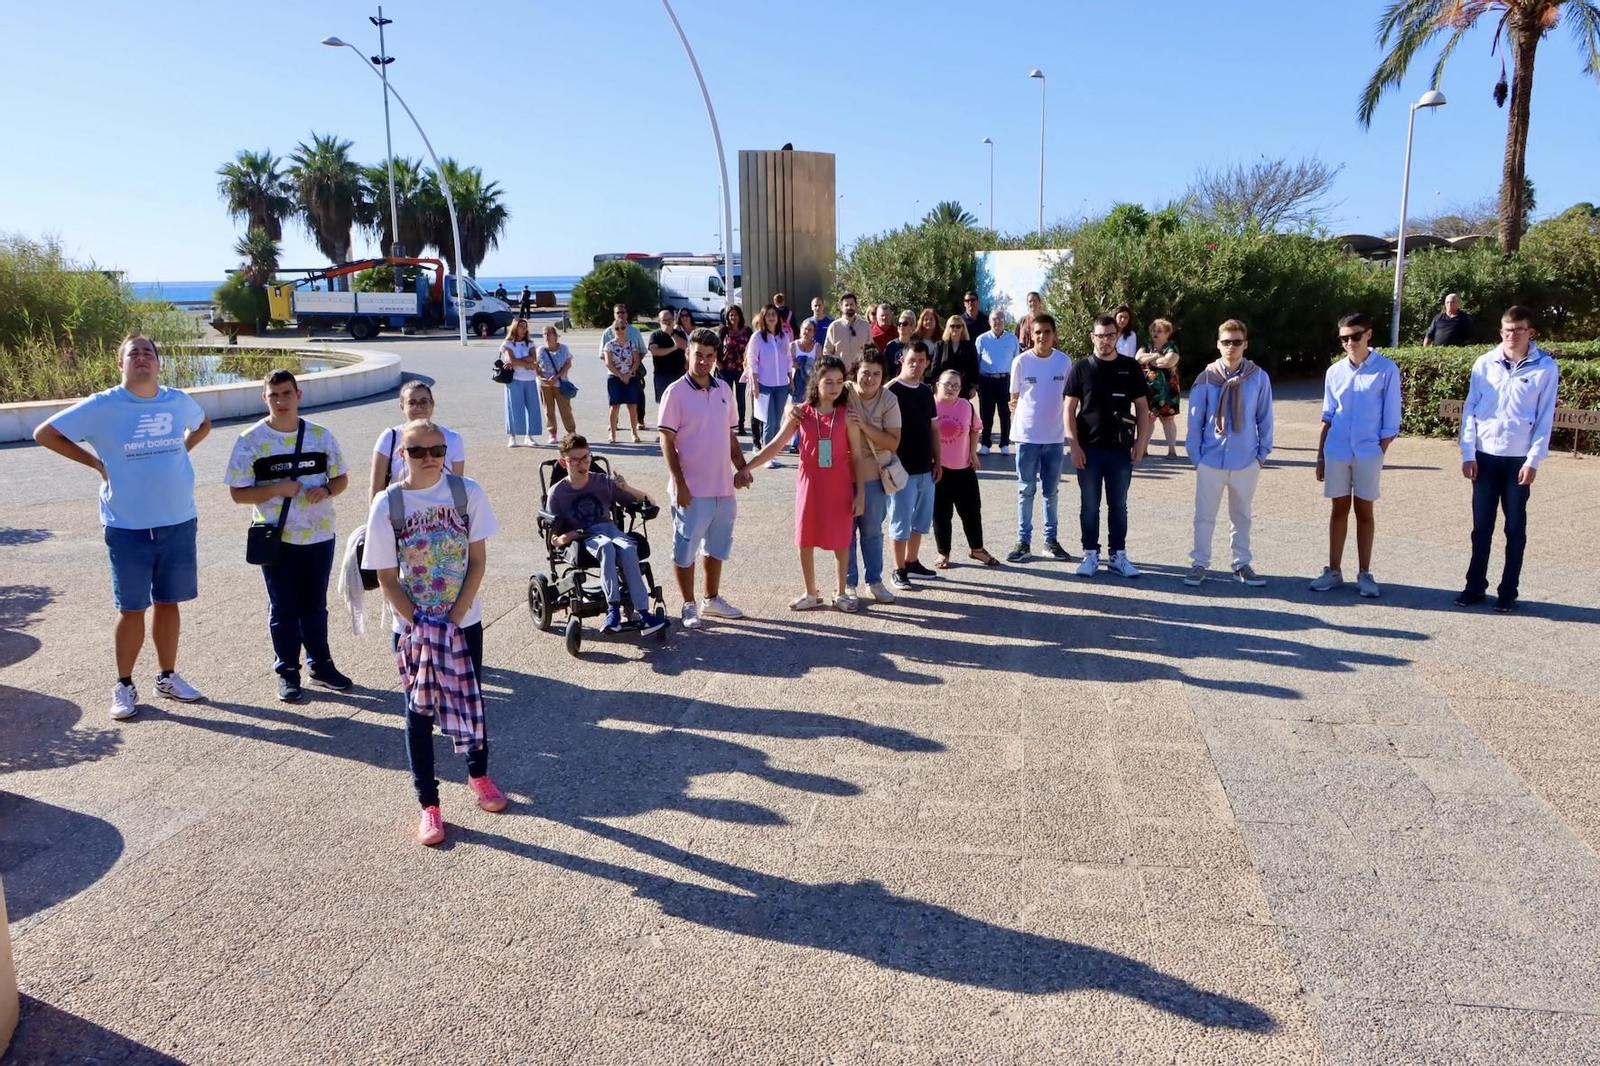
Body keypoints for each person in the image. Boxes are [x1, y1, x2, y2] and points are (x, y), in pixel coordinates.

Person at [33, 334, 210, 719]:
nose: (142, 358)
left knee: (169, 603)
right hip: (127, 526)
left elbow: (203, 424)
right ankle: (124, 684)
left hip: (178, 519)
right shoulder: (103, 405)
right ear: (122, 365)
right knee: (131, 608)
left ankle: (166, 677)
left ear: (159, 363)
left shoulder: (177, 401)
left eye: (149, 352)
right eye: (134, 353)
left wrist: (184, 449)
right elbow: (45, 433)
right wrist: (97, 464)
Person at [362, 419, 504, 847]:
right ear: (401, 455)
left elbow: (477, 560)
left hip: (463, 621)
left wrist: (455, 615)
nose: (430, 459)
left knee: (470, 697)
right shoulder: (389, 504)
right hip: (413, 626)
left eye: (437, 450)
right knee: (419, 712)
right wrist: (421, 622)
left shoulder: (467, 492)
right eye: (418, 451)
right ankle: (429, 805)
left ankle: (478, 775)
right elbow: (386, 576)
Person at [225, 369, 352, 700]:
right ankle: (287, 672)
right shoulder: (250, 440)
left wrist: (325, 489)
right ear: (264, 398)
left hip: (320, 535)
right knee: (283, 607)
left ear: (299, 396)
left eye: (286, 393)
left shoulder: (321, 436)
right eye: (274, 395)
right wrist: (277, 489)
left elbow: (341, 479)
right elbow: (238, 493)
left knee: (315, 605)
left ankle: (321, 666)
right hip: (276, 537)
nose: (281, 401)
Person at [1454, 305, 1560, 612]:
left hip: (1517, 461)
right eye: (1506, 330)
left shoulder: (1545, 368)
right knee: (1481, 528)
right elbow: (1470, 410)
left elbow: (1544, 418)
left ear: (1531, 332)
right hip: (1485, 457)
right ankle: (1474, 586)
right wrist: (1467, 452)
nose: (1511, 336)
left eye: (1518, 330)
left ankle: (1508, 591)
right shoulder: (1484, 363)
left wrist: (1534, 460)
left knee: (1514, 528)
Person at [746, 357, 868, 612]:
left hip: (839, 484)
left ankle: (841, 592)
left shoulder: (847, 416)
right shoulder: (801, 412)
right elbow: (776, 445)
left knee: (841, 539)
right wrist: (747, 466)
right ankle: (811, 592)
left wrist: (861, 493)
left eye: (838, 382)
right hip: (809, 483)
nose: (834, 387)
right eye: (828, 381)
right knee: (805, 537)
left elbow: (857, 457)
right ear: (817, 382)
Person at [658, 328, 756, 629]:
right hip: (691, 489)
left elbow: (730, 435)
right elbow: (666, 441)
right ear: (688, 353)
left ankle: (711, 599)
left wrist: (741, 467)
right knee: (685, 548)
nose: (703, 362)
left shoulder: (725, 389)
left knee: (717, 546)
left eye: (709, 357)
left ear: (716, 358)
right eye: (698, 355)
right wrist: (681, 484)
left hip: (722, 487)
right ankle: (688, 605)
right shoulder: (675, 392)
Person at [1311, 313, 1402, 598]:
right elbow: (1328, 415)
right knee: (1338, 510)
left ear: (1369, 334)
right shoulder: (1334, 371)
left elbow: (1391, 421)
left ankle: (1364, 572)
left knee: (1364, 511)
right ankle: (1334, 571)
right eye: (1344, 338)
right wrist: (1320, 455)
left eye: (1355, 336)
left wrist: (1378, 453)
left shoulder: (1386, 370)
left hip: (1368, 452)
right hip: (1336, 450)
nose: (1350, 342)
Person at [1184, 320, 1275, 588]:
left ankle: (1241, 564)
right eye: (1226, 342)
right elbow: (1195, 423)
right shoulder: (1206, 378)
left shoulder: (1258, 377)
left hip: (1246, 460)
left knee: (1242, 516)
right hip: (1211, 460)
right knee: (1204, 516)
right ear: (1218, 344)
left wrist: (1261, 456)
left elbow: (1265, 418)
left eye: (1236, 342)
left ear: (1245, 344)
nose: (1231, 347)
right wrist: (1196, 459)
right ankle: (1199, 564)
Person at [548, 434, 669, 635]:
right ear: (564, 462)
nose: (582, 464)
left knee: (629, 548)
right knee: (605, 547)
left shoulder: (602, 482)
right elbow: (554, 538)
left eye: (586, 458)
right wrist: (567, 537)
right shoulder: (557, 493)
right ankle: (612, 609)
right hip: (584, 536)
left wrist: (626, 487)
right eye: (575, 460)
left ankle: (644, 612)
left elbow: (652, 502)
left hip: (610, 530)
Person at [1066, 315, 1152, 579]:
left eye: (1110, 335)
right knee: (1089, 505)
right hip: (1088, 449)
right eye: (1100, 336)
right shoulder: (1081, 368)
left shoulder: (1130, 367)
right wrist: (1074, 445)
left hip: (1119, 449)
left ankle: (1118, 555)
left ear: (1117, 336)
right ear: (1092, 337)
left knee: (1119, 505)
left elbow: (1142, 407)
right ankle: (1090, 554)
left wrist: (1141, 443)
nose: (1105, 341)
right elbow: (1068, 409)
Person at [1006, 314, 1074, 564]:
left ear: (1054, 334)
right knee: (1026, 490)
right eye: (1037, 333)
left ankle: (1050, 541)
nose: (1042, 337)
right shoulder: (1021, 362)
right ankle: (1023, 542)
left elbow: (1070, 398)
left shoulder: (1064, 362)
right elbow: (1014, 398)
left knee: (1051, 492)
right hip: (1026, 437)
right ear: (1030, 335)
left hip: (1055, 438)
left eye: (1047, 332)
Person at [844, 350, 903, 603]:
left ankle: (875, 581)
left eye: (876, 374)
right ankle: (847, 583)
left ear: (883, 376)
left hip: (875, 475)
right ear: (855, 371)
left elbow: (893, 442)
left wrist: (864, 425)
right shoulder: (844, 391)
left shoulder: (889, 399)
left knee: (871, 531)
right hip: (843, 474)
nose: (870, 378)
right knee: (845, 533)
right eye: (865, 372)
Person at [886, 342, 942, 590]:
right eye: (912, 360)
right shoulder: (890, 390)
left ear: (927, 363)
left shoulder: (926, 391)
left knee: (920, 521)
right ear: (902, 360)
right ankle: (898, 569)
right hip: (900, 470)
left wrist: (938, 461)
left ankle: (912, 561)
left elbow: (934, 429)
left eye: (921, 360)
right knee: (900, 522)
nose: (916, 365)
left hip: (925, 469)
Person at [932, 369, 995, 568]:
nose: (951, 389)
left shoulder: (966, 406)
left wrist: (973, 452)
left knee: (971, 511)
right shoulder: (930, 405)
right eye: (947, 384)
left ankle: (976, 549)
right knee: (941, 514)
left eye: (956, 386)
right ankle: (944, 553)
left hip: (964, 468)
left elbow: (976, 428)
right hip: (939, 469)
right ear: (937, 385)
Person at [369, 381, 466, 499]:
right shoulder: (389, 438)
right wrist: (375, 515)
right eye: (412, 403)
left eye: (424, 402)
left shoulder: (453, 438)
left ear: (432, 404)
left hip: (442, 509)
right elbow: (376, 487)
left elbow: (458, 484)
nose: (418, 407)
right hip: (400, 510)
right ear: (402, 407)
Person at [746, 303, 794, 464]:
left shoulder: (783, 337)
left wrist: (790, 379)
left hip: (781, 385)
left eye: (774, 314)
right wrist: (754, 383)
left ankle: (773, 455)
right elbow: (752, 361)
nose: (771, 317)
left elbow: (788, 359)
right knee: (769, 421)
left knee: (777, 423)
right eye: (768, 315)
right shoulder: (757, 338)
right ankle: (766, 457)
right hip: (764, 384)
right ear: (763, 318)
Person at [1137, 319, 1183, 459]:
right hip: (1148, 390)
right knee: (1148, 419)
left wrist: (1149, 360)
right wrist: (1156, 356)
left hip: (1168, 389)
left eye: (1159, 331)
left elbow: (1169, 362)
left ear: (1167, 333)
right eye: (1153, 330)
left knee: (1168, 420)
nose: (1155, 333)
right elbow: (1138, 358)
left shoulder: (1171, 347)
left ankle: (1172, 451)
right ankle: (1143, 450)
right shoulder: (1146, 345)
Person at [976, 310, 1019, 456]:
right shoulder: (982, 339)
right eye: (994, 319)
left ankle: (1005, 443)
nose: (998, 321)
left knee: (1005, 413)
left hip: (1004, 380)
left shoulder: (1012, 339)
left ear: (1005, 321)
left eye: (1001, 319)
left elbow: (1016, 362)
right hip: (986, 380)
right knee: (986, 414)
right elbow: (976, 361)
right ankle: (986, 443)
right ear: (989, 322)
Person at [600, 303, 648, 427]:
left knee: (637, 397)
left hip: (633, 371)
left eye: (622, 312)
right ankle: (614, 423)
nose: (620, 315)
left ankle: (640, 420)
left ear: (626, 314)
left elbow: (642, 350)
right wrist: (617, 370)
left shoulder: (634, 332)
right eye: (618, 312)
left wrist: (633, 366)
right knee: (614, 400)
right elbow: (603, 355)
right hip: (615, 373)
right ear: (614, 315)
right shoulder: (607, 333)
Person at [500, 318, 542, 447]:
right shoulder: (507, 344)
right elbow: (510, 360)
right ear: (515, 328)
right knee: (514, 407)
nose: (524, 330)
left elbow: (534, 361)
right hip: (515, 379)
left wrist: (520, 361)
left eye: (525, 327)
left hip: (530, 379)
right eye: (521, 327)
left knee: (532, 408)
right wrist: (526, 363)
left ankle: (529, 436)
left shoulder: (529, 344)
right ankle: (512, 436)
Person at [536, 324, 578, 445]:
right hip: (545, 384)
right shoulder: (540, 350)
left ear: (555, 336)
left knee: (565, 409)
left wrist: (557, 376)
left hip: (560, 383)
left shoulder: (563, 348)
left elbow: (568, 364)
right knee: (548, 409)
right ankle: (552, 433)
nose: (547, 336)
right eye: (544, 334)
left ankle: (572, 433)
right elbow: (536, 367)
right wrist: (542, 377)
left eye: (549, 334)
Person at [717, 304, 752, 435]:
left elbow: (752, 348)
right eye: (731, 315)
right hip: (725, 368)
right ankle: (727, 424)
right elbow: (715, 347)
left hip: (741, 369)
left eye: (735, 314)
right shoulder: (723, 331)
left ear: (740, 316)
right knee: (726, 397)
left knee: (741, 398)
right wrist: (717, 362)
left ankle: (741, 424)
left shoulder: (747, 331)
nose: (733, 317)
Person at [789, 317, 822, 452]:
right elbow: (790, 365)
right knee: (796, 412)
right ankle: (794, 443)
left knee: (809, 413)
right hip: (795, 382)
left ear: (814, 333)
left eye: (810, 330)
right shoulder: (793, 345)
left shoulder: (817, 347)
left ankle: (806, 441)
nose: (806, 332)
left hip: (811, 382)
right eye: (804, 329)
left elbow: (819, 367)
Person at [649, 308, 689, 405]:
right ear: (659, 322)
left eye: (669, 320)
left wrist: (671, 333)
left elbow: (684, 345)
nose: (667, 323)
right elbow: (655, 351)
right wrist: (673, 348)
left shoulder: (679, 334)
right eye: (664, 321)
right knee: (664, 404)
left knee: (681, 403)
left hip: (680, 374)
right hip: (662, 375)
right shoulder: (655, 335)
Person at [932, 315, 979, 397]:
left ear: (962, 328)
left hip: (963, 388)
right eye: (952, 326)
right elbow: (935, 367)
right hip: (944, 387)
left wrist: (974, 387)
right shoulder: (940, 345)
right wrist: (936, 385)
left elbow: (974, 367)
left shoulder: (969, 346)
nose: (955, 329)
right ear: (948, 327)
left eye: (958, 326)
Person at [823, 292, 870, 372]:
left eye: (851, 304)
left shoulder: (865, 326)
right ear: (841, 307)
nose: (849, 307)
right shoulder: (834, 327)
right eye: (846, 305)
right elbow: (827, 352)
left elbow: (870, 350)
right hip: (840, 373)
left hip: (860, 372)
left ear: (856, 306)